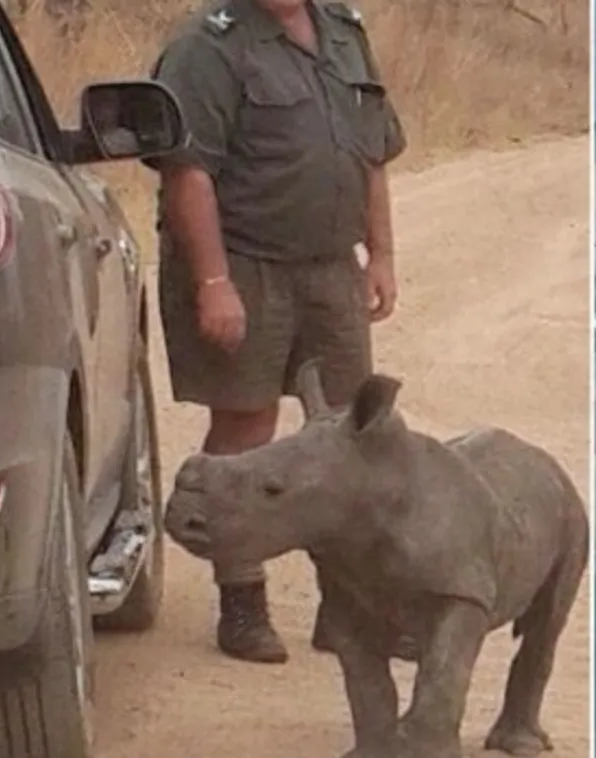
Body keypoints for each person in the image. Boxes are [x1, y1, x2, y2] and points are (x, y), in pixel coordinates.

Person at [146, 0, 406, 664]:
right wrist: (212, 284)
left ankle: (348, 604)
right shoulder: (207, 47)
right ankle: (242, 602)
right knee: (244, 429)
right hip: (243, 264)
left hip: (330, 266)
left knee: (352, 434)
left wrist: (380, 254)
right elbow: (187, 173)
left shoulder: (344, 33)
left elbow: (372, 152)